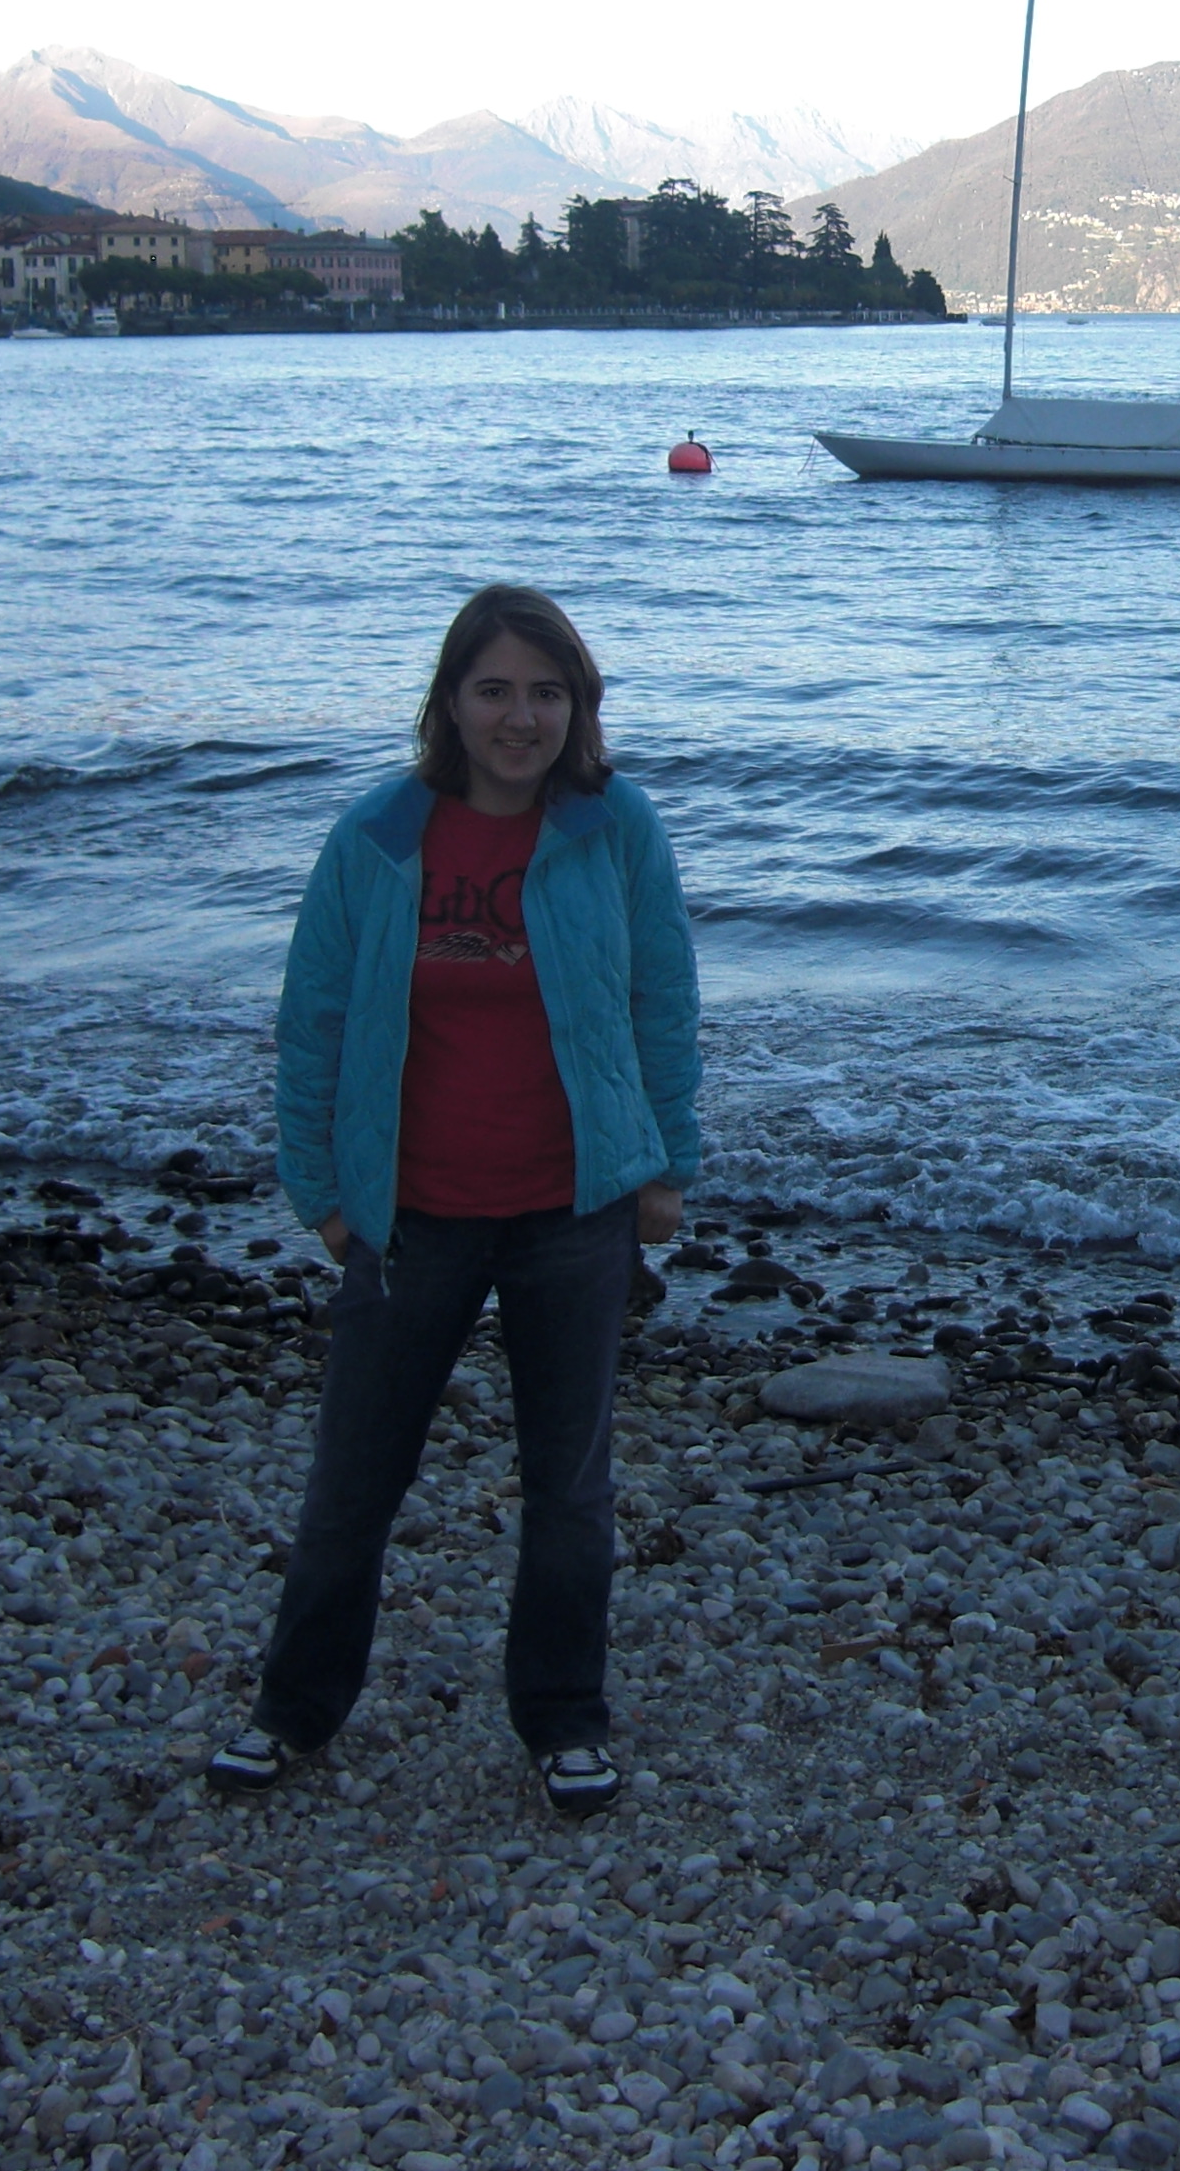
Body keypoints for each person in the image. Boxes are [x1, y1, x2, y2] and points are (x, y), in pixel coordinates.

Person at [210, 584, 699, 1819]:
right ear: (449, 702)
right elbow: (314, 1021)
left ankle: (564, 1718)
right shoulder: (377, 837)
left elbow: (663, 1000)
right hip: (409, 1217)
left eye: (546, 692)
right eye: (494, 690)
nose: (520, 717)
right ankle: (292, 1710)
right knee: (352, 1485)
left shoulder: (616, 827)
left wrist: (665, 1165)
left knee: (570, 1491)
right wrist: (321, 1194)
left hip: (573, 1209)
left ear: (578, 707)